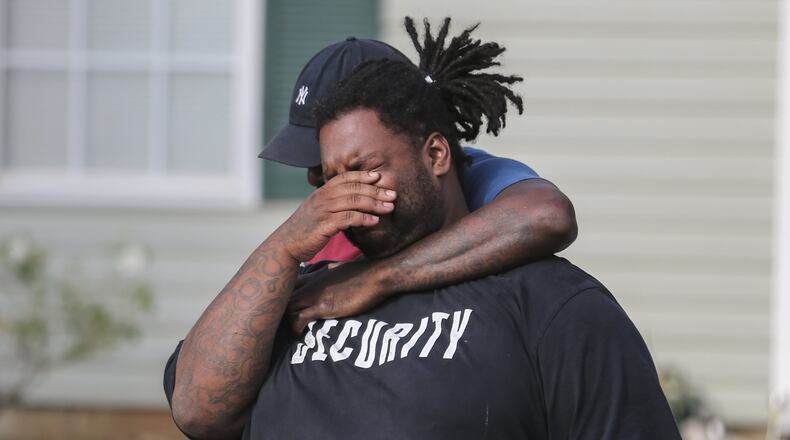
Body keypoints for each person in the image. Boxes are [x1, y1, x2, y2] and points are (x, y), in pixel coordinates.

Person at [165, 17, 680, 439]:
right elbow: (195, 409)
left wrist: (375, 280)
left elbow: (546, 215)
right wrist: (282, 249)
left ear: (435, 152)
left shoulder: (536, 278)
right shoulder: (301, 282)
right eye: (325, 175)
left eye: (360, 168)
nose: (332, 193)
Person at [257, 35, 577, 331]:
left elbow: (548, 215)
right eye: (325, 167)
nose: (313, 177)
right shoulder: (336, 219)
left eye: (317, 157)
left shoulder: (464, 173)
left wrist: (374, 278)